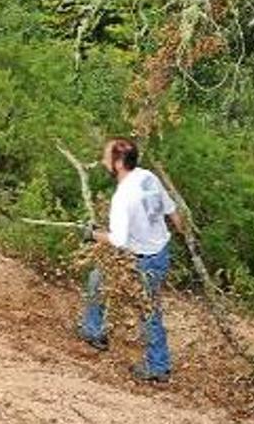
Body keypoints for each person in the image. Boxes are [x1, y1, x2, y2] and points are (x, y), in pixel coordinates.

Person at [77, 137, 183, 382]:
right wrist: (184, 234)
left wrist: (92, 234)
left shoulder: (123, 197)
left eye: (107, 155)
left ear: (119, 162)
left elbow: (118, 240)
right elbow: (172, 211)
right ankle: (93, 330)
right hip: (157, 251)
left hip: (144, 261)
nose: (103, 159)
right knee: (98, 277)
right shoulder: (148, 177)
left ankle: (158, 367)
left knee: (148, 311)